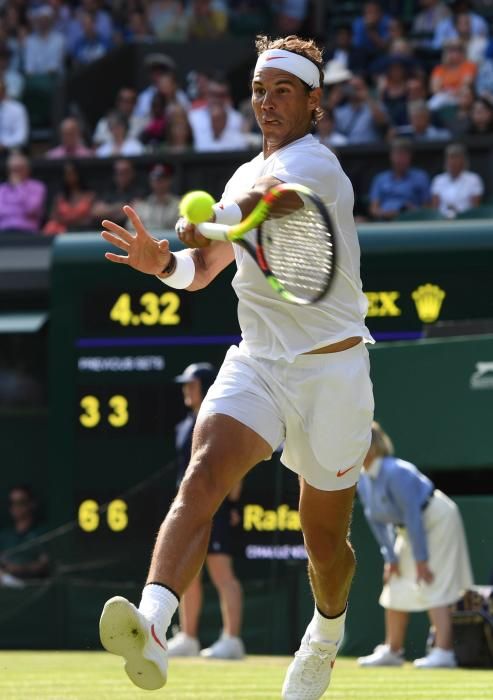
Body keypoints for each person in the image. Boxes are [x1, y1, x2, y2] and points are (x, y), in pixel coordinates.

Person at [99, 33, 374, 700]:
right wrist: (163, 262)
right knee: (201, 476)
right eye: (258, 91)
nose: (267, 103)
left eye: (282, 91)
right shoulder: (241, 174)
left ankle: (325, 637)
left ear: (312, 103)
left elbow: (270, 208)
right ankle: (155, 626)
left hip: (330, 375)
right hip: (257, 362)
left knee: (325, 547)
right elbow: (201, 271)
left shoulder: (319, 168)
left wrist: (214, 224)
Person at [357, 422, 473, 668]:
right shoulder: (363, 479)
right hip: (410, 529)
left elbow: (413, 514)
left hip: (437, 518)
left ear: (370, 446)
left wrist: (421, 559)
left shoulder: (396, 471)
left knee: (433, 578)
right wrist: (391, 559)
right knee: (396, 581)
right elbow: (377, 522)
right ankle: (393, 650)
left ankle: (444, 652)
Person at [167, 362, 245, 660]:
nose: (187, 389)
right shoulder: (185, 425)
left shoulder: (219, 421)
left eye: (192, 384)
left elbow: (236, 468)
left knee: (222, 573)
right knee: (188, 574)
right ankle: (188, 637)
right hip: (188, 511)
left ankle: (232, 639)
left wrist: (232, 505)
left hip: (217, 508)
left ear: (206, 386)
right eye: (185, 384)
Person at [0, 485, 50, 587]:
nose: (15, 507)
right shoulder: (5, 535)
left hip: (32, 587)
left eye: (20, 503)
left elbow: (45, 564)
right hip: (5, 588)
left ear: (31, 504)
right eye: (12, 503)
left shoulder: (41, 533)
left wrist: (19, 569)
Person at [369, 139, 430, 221]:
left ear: (410, 157)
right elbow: (373, 209)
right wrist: (386, 213)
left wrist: (413, 211)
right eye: (397, 154)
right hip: (384, 223)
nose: (400, 159)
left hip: (411, 222)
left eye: (404, 155)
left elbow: (428, 208)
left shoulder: (420, 177)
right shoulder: (380, 179)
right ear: (391, 156)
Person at [188, 74, 248, 152]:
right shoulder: (193, 117)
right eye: (213, 94)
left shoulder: (239, 120)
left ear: (227, 96)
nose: (217, 100)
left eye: (221, 95)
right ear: (207, 94)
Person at [430, 142, 483, 218]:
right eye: (451, 157)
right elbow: (434, 208)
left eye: (456, 157)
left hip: (466, 220)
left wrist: (460, 214)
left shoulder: (474, 179)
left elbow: (475, 208)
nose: (453, 161)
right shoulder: (438, 180)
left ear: (463, 161)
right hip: (442, 221)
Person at [43, 161, 95, 235]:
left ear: (78, 174)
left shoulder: (90, 195)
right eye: (66, 174)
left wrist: (75, 221)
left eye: (71, 173)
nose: (69, 176)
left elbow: (92, 217)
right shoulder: (60, 197)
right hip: (62, 231)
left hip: (84, 231)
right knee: (51, 226)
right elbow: (53, 216)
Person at [0, 152, 46, 233]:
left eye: (19, 169)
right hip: (4, 231)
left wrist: (19, 187)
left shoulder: (37, 187)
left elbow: (31, 209)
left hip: (27, 232)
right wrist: (20, 213)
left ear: (28, 170)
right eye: (13, 170)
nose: (15, 173)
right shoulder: (2, 189)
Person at [92, 158, 146, 227]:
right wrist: (119, 207)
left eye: (125, 172)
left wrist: (108, 211)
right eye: (119, 172)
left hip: (129, 232)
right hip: (104, 231)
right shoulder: (109, 191)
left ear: (132, 173)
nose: (122, 175)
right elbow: (96, 212)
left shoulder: (140, 191)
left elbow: (133, 212)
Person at [125, 164, 180, 232]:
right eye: (156, 179)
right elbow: (131, 230)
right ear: (150, 181)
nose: (159, 182)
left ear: (170, 180)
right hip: (145, 242)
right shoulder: (140, 205)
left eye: (163, 178)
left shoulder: (179, 204)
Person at [0, 77, 29, 151]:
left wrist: (4, 144)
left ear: (4, 92)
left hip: (9, 150)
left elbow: (21, 137)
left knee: (15, 159)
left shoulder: (17, 109)